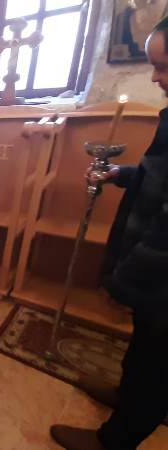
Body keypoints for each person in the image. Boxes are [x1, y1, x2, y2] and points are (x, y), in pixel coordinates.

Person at [49, 17, 168, 450]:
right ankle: (126, 394)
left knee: (160, 358)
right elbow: (160, 177)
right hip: (151, 261)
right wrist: (121, 173)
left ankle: (114, 441)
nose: (155, 77)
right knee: (146, 340)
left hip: (160, 266)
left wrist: (129, 274)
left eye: (163, 66)